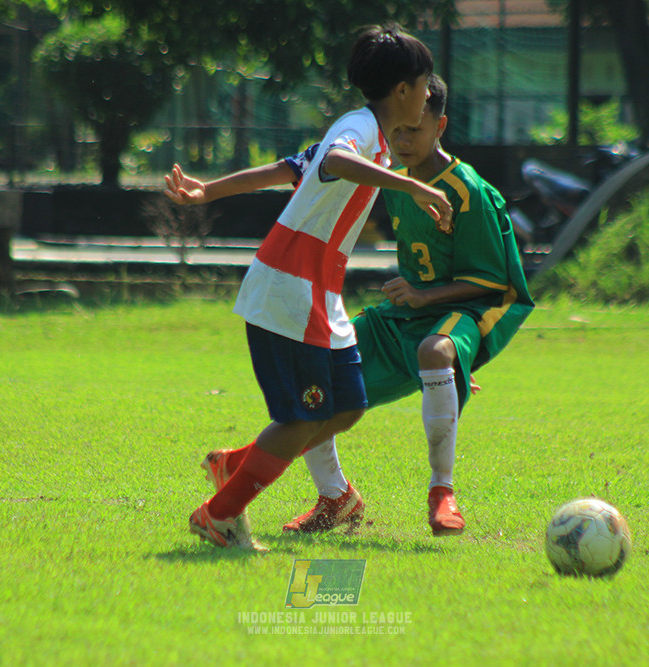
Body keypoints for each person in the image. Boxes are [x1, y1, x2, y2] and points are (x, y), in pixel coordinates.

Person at [183, 75, 534, 538]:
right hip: (400, 311)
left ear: (439, 125)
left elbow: (491, 280)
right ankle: (335, 497)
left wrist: (453, 344)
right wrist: (207, 191)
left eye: (416, 131)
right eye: (400, 132)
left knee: (431, 353)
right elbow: (298, 165)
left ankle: (441, 492)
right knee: (331, 395)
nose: (405, 140)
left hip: (462, 311)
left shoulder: (466, 189)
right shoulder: (389, 170)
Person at [164, 24, 452, 551]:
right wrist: (411, 185)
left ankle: (234, 464)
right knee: (303, 415)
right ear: (404, 91)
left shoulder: (376, 140)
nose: (429, 92)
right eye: (424, 81)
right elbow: (338, 161)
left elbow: (289, 168)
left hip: (318, 295)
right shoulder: (361, 129)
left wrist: (208, 191)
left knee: (347, 406)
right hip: (288, 289)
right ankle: (219, 516)